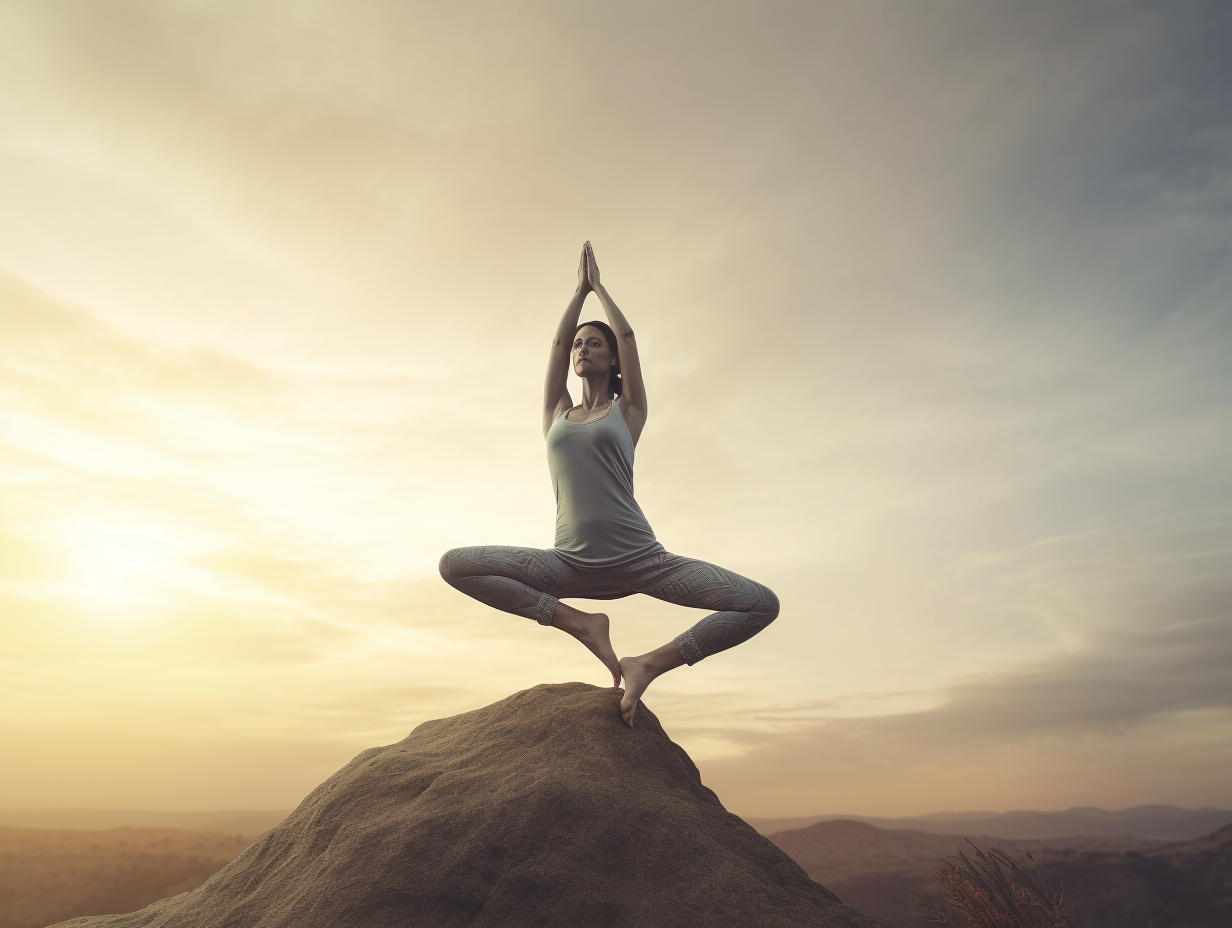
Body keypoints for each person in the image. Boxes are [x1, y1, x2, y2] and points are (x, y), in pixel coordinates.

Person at [439, 242, 779, 727]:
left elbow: (629, 336)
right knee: (457, 566)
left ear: (614, 360)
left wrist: (598, 287)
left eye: (593, 343)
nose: (581, 348)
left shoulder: (628, 412)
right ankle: (582, 624)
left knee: (759, 603)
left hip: (642, 562)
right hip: (569, 565)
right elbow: (555, 349)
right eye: (579, 343)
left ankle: (650, 664)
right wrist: (576, 294)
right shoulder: (555, 415)